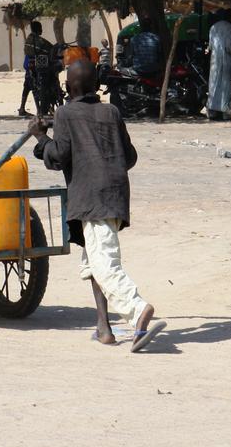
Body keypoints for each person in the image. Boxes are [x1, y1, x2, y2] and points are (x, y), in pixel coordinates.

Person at [30, 59, 164, 352]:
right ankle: (104, 328)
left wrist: (40, 137)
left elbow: (57, 157)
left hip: (91, 197)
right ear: (97, 86)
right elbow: (129, 157)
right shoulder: (111, 111)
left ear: (67, 88)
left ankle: (137, 311)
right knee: (93, 262)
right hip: (114, 194)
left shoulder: (65, 114)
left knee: (105, 263)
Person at [206, 9, 231, 120]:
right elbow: (229, 45)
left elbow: (210, 45)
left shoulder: (213, 27)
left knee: (214, 84)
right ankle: (225, 112)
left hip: (214, 59)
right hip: (226, 59)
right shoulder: (229, 27)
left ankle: (212, 112)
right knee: (225, 86)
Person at [19, 20, 53, 117]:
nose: (42, 30)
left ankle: (22, 108)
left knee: (27, 87)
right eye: (40, 28)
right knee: (35, 87)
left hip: (28, 66)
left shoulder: (29, 39)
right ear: (38, 29)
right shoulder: (38, 41)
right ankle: (39, 110)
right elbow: (49, 48)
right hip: (36, 66)